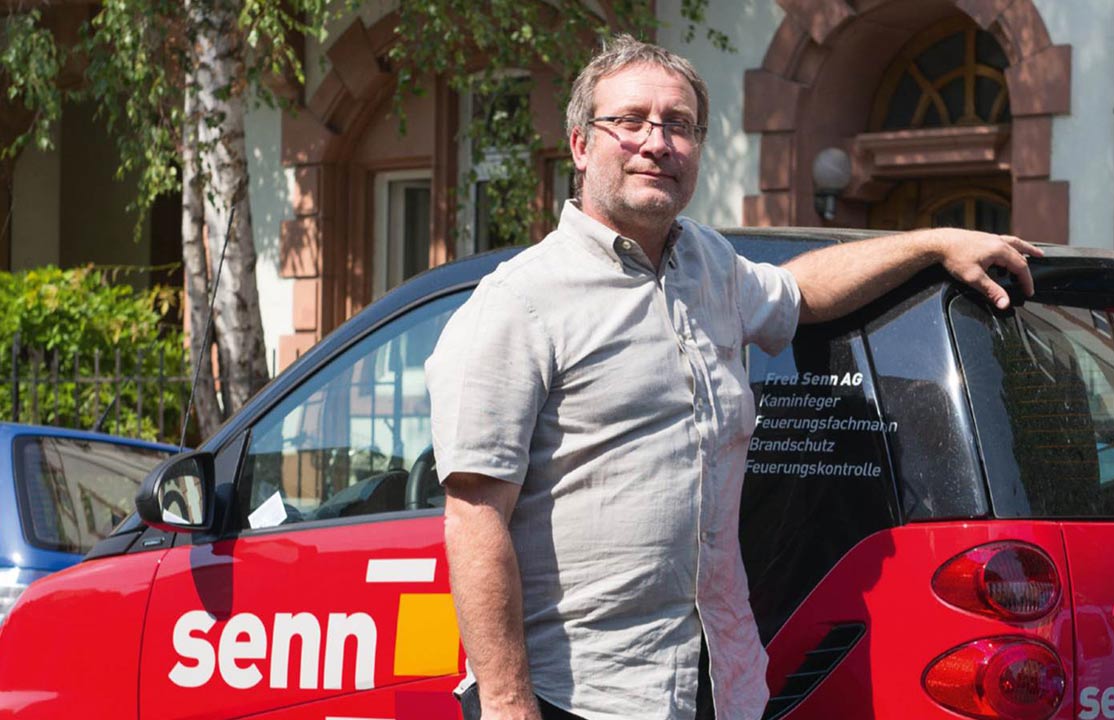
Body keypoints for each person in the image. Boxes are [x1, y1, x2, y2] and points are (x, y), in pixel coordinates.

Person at [424, 34, 1040, 720]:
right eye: (630, 121)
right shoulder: (520, 302)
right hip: (583, 693)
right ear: (579, 145)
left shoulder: (709, 268)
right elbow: (476, 516)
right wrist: (508, 705)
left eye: (679, 125)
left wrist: (932, 243)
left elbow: (800, 292)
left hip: (723, 682)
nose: (657, 142)